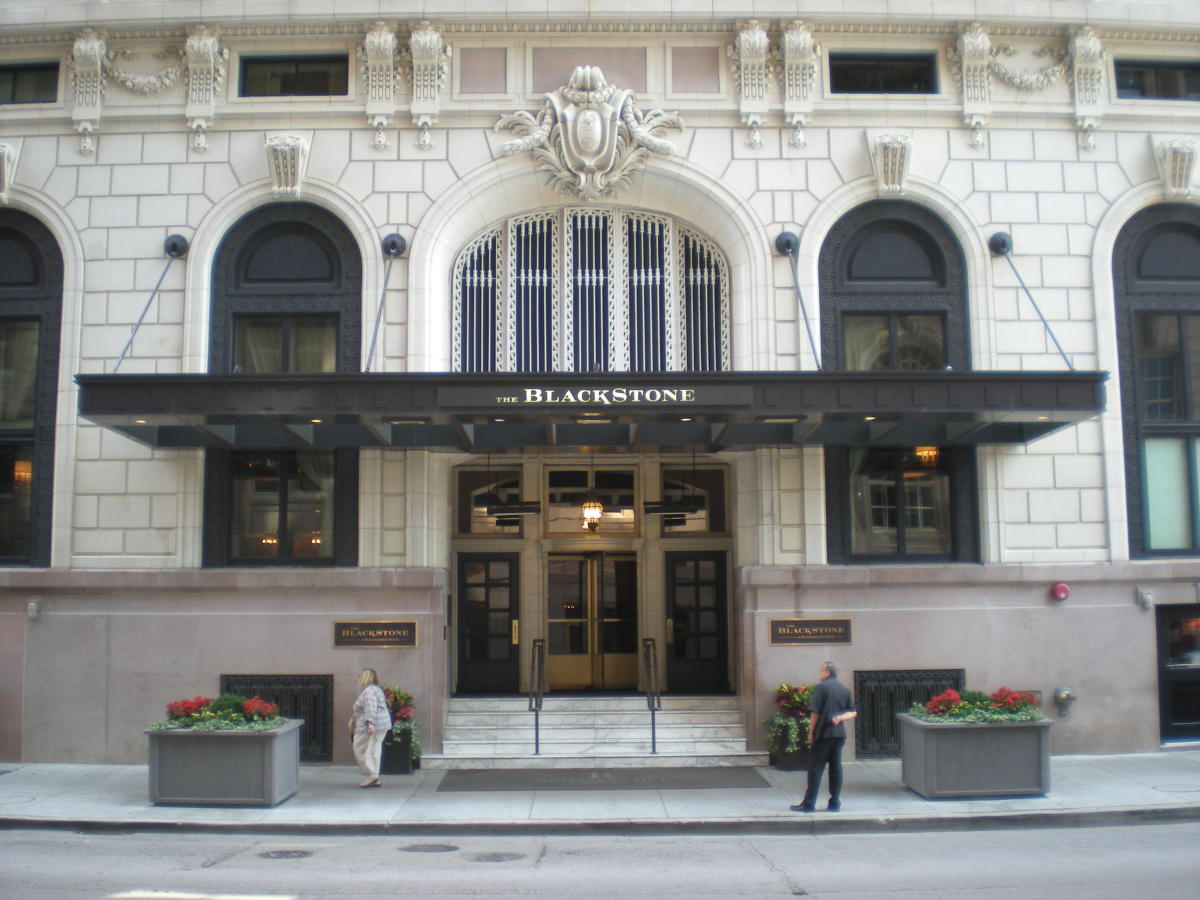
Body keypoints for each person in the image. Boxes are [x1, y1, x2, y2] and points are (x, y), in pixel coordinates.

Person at [791, 660, 857, 812]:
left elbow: (815, 713)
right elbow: (853, 712)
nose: (819, 673)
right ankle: (834, 803)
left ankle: (809, 803)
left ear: (827, 673)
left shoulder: (821, 688)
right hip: (839, 735)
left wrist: (810, 732)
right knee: (836, 768)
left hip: (823, 734)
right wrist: (841, 718)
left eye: (821, 671)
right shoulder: (844, 689)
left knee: (815, 768)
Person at [349, 667, 391, 787]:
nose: (358, 678)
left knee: (361, 748)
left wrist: (370, 724)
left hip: (372, 725)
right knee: (374, 748)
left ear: (365, 677)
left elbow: (370, 708)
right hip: (381, 724)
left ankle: (372, 774)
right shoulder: (375, 689)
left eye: (360, 676)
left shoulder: (369, 691)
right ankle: (374, 775)